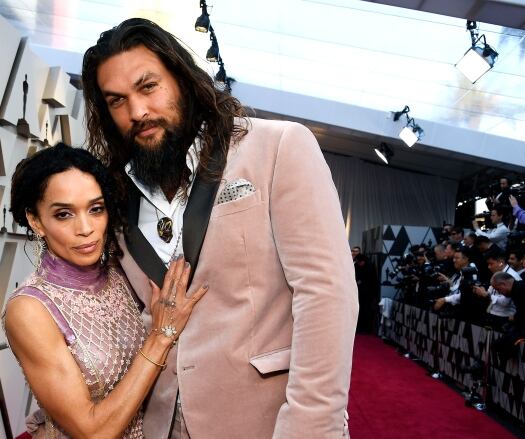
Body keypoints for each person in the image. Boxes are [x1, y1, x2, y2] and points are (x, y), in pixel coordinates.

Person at [81, 18, 358, 438]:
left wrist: (309, 427)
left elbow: (326, 294)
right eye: (117, 101)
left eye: (148, 87)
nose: (137, 112)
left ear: (183, 79)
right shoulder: (115, 197)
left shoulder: (277, 147)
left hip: (266, 421)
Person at [2, 144, 209, 438]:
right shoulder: (30, 310)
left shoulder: (121, 270)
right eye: (64, 214)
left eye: (96, 209)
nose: (86, 228)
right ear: (36, 221)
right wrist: (161, 337)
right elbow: (92, 432)